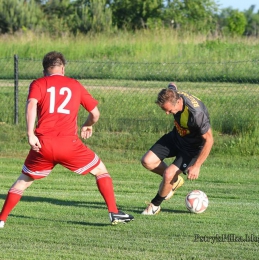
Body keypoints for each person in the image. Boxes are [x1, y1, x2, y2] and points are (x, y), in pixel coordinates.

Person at [0, 51, 134, 228]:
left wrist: (30, 133)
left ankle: (1, 219)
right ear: (62, 68)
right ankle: (114, 212)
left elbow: (31, 104)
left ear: (44, 70)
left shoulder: (38, 83)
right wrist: (87, 124)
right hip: (69, 145)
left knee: (23, 181)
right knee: (101, 171)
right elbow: (95, 114)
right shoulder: (74, 85)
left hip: (43, 144)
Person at [141, 82, 214, 215]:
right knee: (147, 161)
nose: (167, 113)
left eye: (169, 110)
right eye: (165, 110)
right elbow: (172, 85)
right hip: (176, 137)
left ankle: (155, 205)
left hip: (191, 148)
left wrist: (197, 165)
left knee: (168, 174)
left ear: (178, 101)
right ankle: (175, 180)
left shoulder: (196, 115)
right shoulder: (173, 95)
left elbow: (209, 139)